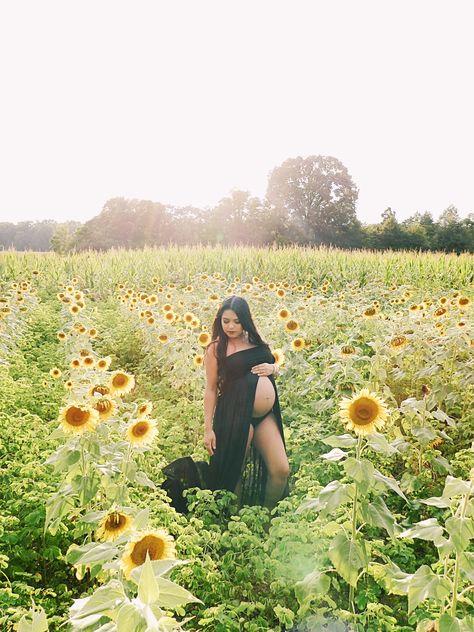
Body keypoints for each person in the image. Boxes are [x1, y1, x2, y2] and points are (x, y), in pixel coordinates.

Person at [203, 295, 289, 509]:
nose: (230, 326)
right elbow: (211, 389)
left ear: (245, 320)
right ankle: (235, 522)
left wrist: (273, 369)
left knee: (281, 470)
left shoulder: (254, 339)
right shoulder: (216, 348)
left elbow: (271, 364)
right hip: (234, 413)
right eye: (225, 321)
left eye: (236, 321)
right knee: (235, 473)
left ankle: (266, 519)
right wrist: (207, 429)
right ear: (219, 321)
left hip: (264, 416)